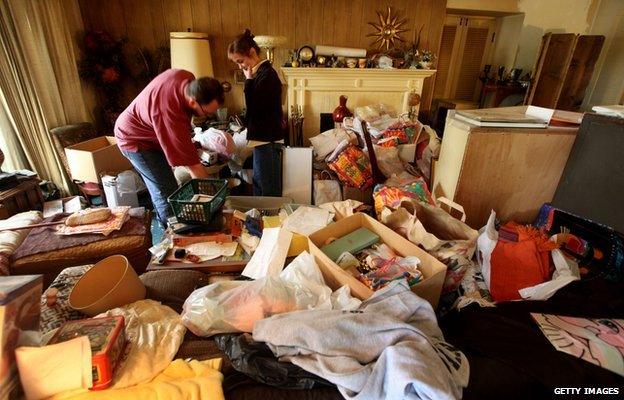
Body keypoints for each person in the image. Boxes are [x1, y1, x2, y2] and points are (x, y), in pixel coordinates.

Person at [114, 69, 224, 227]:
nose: (206, 116)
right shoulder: (170, 115)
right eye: (206, 113)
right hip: (135, 139)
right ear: (193, 101)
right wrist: (215, 200)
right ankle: (170, 233)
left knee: (169, 184)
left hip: (152, 130)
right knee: (166, 192)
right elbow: (195, 170)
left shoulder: (186, 78)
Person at [228, 29, 284, 196]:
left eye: (240, 61)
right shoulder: (261, 73)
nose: (240, 66)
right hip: (261, 138)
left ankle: (269, 218)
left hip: (267, 138)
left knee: (267, 187)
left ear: (252, 52)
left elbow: (253, 109)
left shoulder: (267, 75)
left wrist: (248, 81)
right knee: (260, 182)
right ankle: (262, 217)